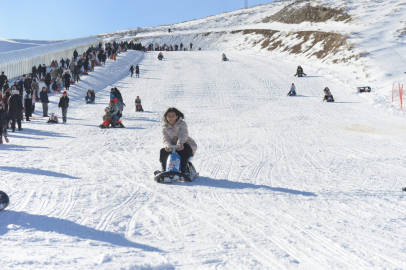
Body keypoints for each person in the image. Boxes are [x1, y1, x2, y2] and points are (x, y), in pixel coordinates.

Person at [159, 107, 197, 174]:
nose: (171, 118)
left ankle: (183, 170)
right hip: (172, 147)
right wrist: (168, 146)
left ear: (177, 116)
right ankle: (164, 170)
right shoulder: (165, 127)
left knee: (185, 148)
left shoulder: (182, 124)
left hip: (184, 144)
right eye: (169, 116)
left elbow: (183, 134)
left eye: (173, 116)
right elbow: (165, 138)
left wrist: (180, 143)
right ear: (166, 117)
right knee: (163, 151)